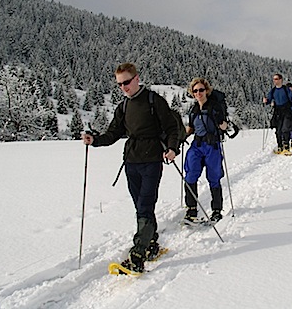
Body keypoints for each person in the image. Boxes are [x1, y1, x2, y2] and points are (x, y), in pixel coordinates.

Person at [81, 63, 179, 273]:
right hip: (131, 161)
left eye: (126, 82)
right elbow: (112, 134)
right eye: (119, 84)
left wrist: (172, 148)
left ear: (136, 79)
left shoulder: (154, 100)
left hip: (152, 159)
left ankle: (137, 256)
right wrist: (94, 140)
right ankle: (151, 244)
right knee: (140, 206)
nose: (123, 87)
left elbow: (172, 128)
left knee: (145, 204)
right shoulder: (123, 107)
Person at [183, 78, 228, 224]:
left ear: (206, 90)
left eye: (201, 90)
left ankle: (216, 210)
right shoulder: (193, 109)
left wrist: (223, 124)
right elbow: (190, 128)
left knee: (213, 177)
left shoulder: (215, 107)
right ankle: (191, 209)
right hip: (197, 145)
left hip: (212, 145)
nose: (198, 93)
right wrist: (178, 138)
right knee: (190, 175)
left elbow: (224, 125)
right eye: (195, 91)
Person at [263, 73, 292, 154]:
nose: (274, 81)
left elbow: (291, 98)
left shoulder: (286, 89)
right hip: (278, 111)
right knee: (278, 130)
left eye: (276, 79)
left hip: (287, 110)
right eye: (274, 79)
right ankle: (280, 146)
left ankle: (286, 147)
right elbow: (269, 99)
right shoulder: (273, 90)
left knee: (285, 128)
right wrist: (266, 101)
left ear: (281, 80)